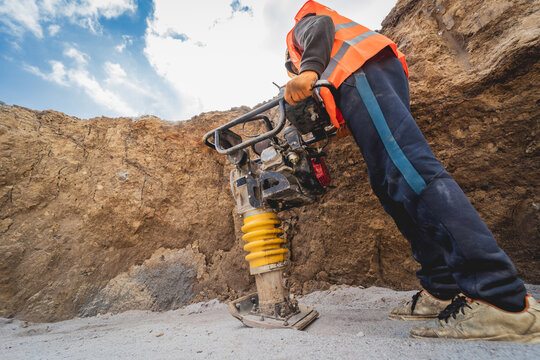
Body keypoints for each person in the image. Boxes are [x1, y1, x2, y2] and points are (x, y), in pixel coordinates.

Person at [284, 1, 539, 343]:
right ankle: (443, 288)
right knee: (390, 188)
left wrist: (308, 70)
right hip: (366, 81)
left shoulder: (303, 25)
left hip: (360, 75)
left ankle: (500, 297)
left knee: (410, 171)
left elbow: (320, 30)